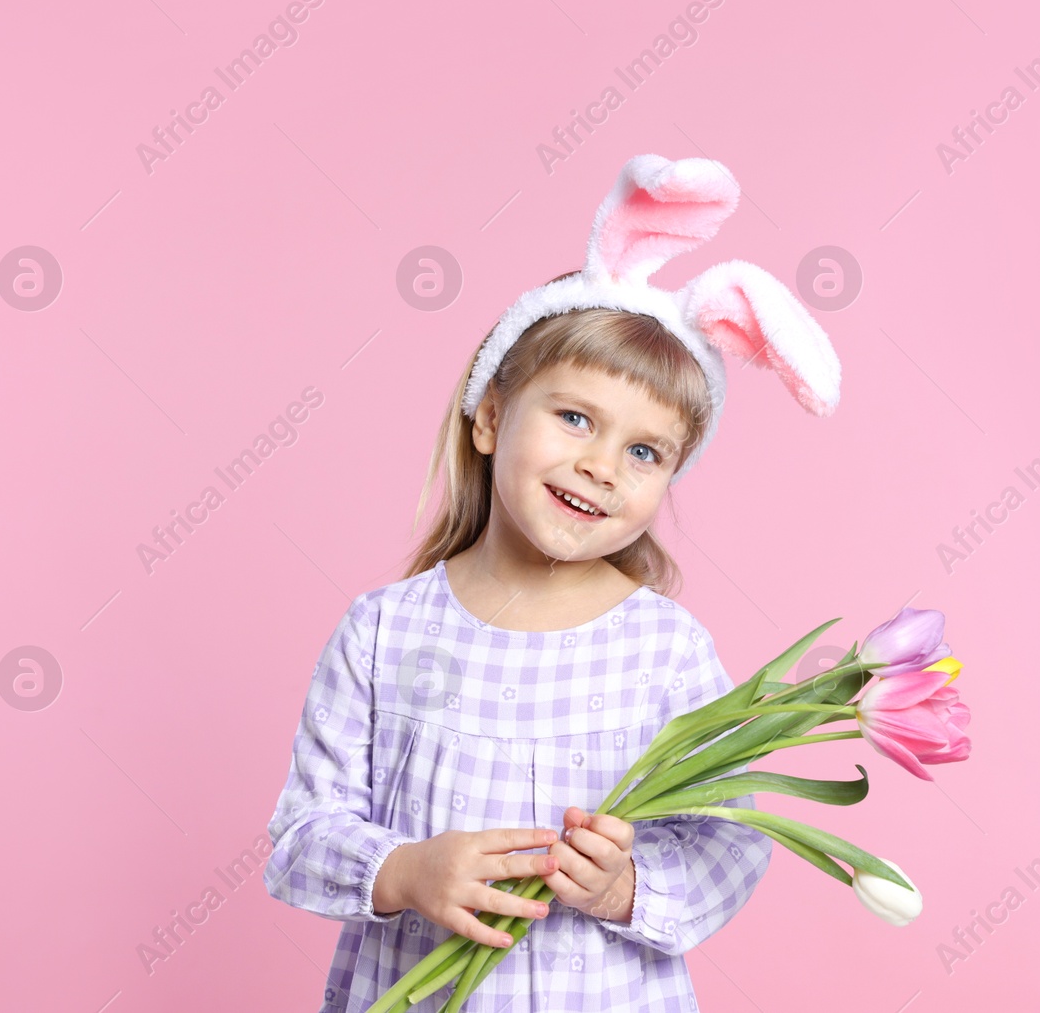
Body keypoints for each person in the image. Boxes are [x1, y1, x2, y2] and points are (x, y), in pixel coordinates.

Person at [263, 153, 843, 1012]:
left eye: (644, 451)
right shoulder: (385, 631)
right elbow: (301, 835)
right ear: (492, 415)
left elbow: (729, 839)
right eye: (575, 417)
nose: (601, 465)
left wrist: (626, 889)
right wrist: (404, 868)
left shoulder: (663, 650)